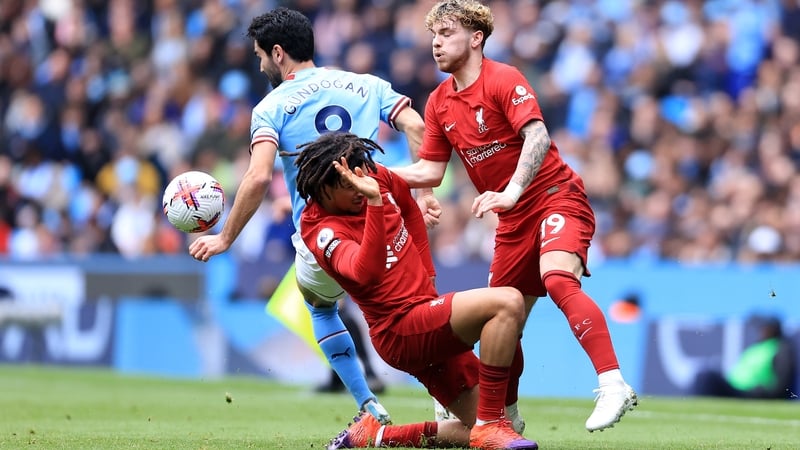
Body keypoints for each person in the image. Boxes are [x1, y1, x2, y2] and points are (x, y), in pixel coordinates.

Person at [390, 0, 637, 432]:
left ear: (476, 38)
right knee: (501, 319)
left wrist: (512, 191)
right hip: (512, 220)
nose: (436, 42)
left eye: (447, 33)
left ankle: (613, 382)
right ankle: (507, 416)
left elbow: (537, 136)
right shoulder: (439, 102)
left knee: (558, 278)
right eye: (433, 35)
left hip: (554, 195)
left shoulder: (503, 78)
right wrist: (375, 174)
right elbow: (430, 169)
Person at [188, 7, 430, 425]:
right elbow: (418, 127)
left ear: (278, 53)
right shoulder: (366, 84)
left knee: (320, 308)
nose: (260, 63)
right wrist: (423, 192)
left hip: (324, 239)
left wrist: (225, 237)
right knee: (417, 314)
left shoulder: (271, 107)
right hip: (382, 224)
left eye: (260, 55)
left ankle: (368, 404)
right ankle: (448, 395)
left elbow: (259, 176)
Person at [286, 132, 537, 450]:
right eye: (346, 186)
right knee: (508, 301)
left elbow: (406, 202)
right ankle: (490, 425)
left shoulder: (371, 175)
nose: (358, 189)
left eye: (359, 179)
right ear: (322, 189)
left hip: (424, 314)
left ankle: (374, 436)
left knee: (497, 429)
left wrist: (428, 276)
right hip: (400, 328)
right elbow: (366, 272)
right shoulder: (322, 231)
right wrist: (375, 202)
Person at [692, 316, 798, 399]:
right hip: (735, 387)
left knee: (708, 378)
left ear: (773, 329)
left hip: (752, 393)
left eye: (765, 328)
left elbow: (782, 384)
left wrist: (764, 393)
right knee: (704, 376)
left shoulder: (781, 348)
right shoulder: (757, 346)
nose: (761, 330)